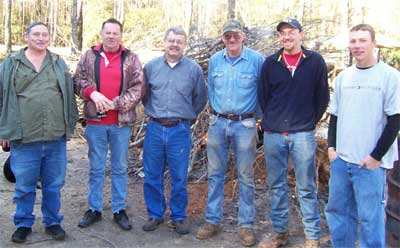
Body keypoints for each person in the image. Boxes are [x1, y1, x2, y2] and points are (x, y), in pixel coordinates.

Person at [0, 22, 78, 243]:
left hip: (55, 137)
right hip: (24, 138)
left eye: (45, 34)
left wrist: (69, 126)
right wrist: (3, 129)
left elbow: (69, 94)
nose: (41, 38)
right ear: (27, 36)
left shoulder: (58, 63)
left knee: (53, 185)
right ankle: (23, 223)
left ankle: (53, 222)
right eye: (36, 34)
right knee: (24, 186)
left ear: (49, 38)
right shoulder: (11, 64)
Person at [325, 24, 400, 248]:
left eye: (362, 40)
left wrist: (376, 156)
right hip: (341, 161)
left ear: (373, 43)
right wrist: (331, 148)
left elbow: (395, 120)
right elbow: (335, 116)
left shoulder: (390, 77)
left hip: (369, 165)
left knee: (371, 218)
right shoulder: (343, 78)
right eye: (354, 41)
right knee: (338, 213)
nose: (357, 46)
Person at [257, 18, 329, 248]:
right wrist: (272, 122)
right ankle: (280, 233)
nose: (286, 37)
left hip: (302, 134)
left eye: (291, 32)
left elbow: (322, 98)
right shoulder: (271, 63)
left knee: (306, 185)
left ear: (301, 34)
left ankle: (312, 235)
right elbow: (263, 97)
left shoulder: (315, 61)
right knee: (276, 185)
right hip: (274, 134)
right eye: (282, 33)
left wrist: (308, 121)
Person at [196, 19, 264, 247]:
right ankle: (212, 221)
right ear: (223, 39)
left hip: (244, 125)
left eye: (235, 35)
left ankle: (246, 226)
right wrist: (215, 116)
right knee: (215, 175)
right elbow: (211, 91)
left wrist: (256, 119)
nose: (232, 40)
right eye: (227, 36)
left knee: (245, 177)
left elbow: (264, 92)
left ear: (243, 36)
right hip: (218, 123)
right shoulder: (216, 61)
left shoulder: (256, 60)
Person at [74, 18, 145, 231]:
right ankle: (94, 208)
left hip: (120, 124)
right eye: (108, 33)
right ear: (101, 34)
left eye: (115, 33)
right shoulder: (88, 56)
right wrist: (92, 94)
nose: (111, 36)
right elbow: (78, 81)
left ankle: (119, 209)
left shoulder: (131, 59)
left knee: (119, 168)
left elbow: (138, 88)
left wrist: (115, 104)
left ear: (121, 35)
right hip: (95, 123)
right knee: (96, 167)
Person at [142, 26, 207, 235]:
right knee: (152, 174)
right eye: (171, 40)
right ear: (164, 42)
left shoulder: (193, 70)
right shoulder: (151, 67)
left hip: (179, 130)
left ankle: (178, 216)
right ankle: (155, 214)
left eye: (179, 41)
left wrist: (186, 117)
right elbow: (144, 95)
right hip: (154, 128)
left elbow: (200, 99)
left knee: (179, 176)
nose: (174, 44)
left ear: (184, 45)